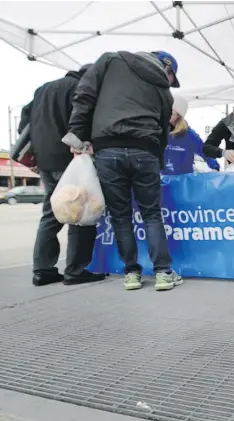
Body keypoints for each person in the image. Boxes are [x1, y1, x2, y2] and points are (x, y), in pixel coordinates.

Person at [67, 50, 183, 292]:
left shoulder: (111, 60)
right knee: (151, 214)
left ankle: (131, 273)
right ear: (166, 69)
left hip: (108, 148)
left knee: (121, 216)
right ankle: (163, 273)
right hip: (145, 150)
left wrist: (77, 137)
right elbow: (163, 128)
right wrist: (156, 158)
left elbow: (85, 95)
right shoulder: (162, 86)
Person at [19, 64, 105, 287]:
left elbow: (24, 121)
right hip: (70, 157)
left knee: (50, 212)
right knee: (81, 211)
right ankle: (76, 270)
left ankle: (42, 270)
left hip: (44, 159)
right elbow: (83, 120)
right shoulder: (80, 88)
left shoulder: (42, 89)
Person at [163, 96, 220, 175]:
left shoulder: (190, 135)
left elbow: (204, 151)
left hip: (183, 182)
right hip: (163, 181)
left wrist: (215, 167)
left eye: (171, 112)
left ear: (178, 116)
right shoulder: (160, 131)